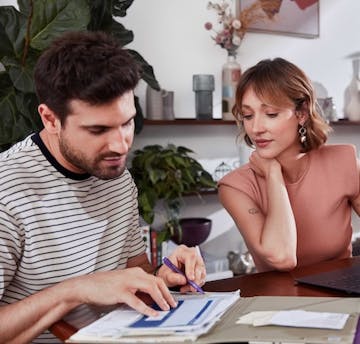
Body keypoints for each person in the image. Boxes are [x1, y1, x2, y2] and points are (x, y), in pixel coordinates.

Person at [0, 31, 206, 343]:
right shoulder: (7, 191)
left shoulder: (117, 177)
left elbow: (133, 271)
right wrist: (76, 290)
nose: (120, 144)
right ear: (50, 119)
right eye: (98, 129)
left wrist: (163, 277)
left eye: (127, 122)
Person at [219, 57, 360, 273]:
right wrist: (273, 174)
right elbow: (282, 257)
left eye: (271, 114)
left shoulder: (344, 163)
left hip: (343, 298)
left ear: (301, 113)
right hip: (277, 303)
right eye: (248, 115)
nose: (256, 128)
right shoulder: (234, 187)